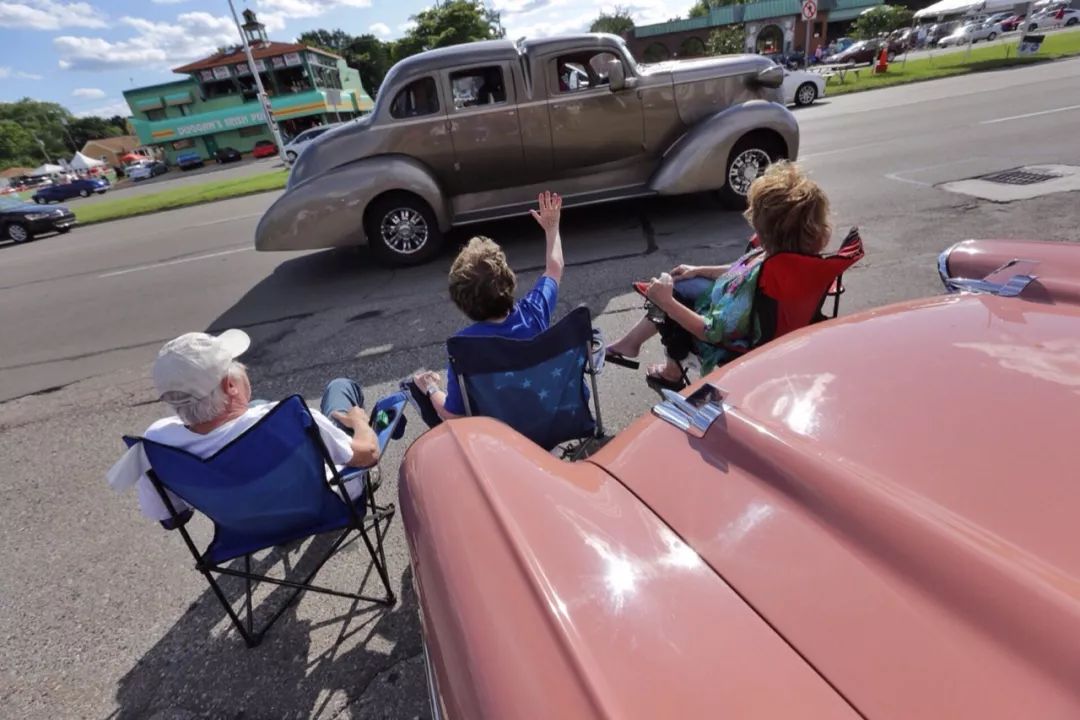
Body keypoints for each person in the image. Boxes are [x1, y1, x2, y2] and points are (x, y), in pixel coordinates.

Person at [106, 329, 381, 523]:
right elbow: (368, 454)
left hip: (246, 525)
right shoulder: (287, 417)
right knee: (339, 389)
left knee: (258, 406)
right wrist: (359, 423)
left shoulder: (156, 442)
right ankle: (349, 430)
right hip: (325, 505)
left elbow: (173, 519)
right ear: (230, 386)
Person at [605, 161, 832, 389]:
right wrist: (699, 270)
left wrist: (668, 302)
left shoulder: (746, 297)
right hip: (773, 324)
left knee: (667, 296)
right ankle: (632, 344)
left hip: (731, 340)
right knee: (682, 282)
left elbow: (712, 332)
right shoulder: (793, 259)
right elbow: (747, 271)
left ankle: (670, 371)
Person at [411, 191, 564, 424]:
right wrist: (552, 229)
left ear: (461, 301)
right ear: (509, 280)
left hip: (500, 443)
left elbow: (453, 414)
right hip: (550, 423)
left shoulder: (463, 347)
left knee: (415, 387)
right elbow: (554, 267)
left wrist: (431, 388)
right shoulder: (533, 312)